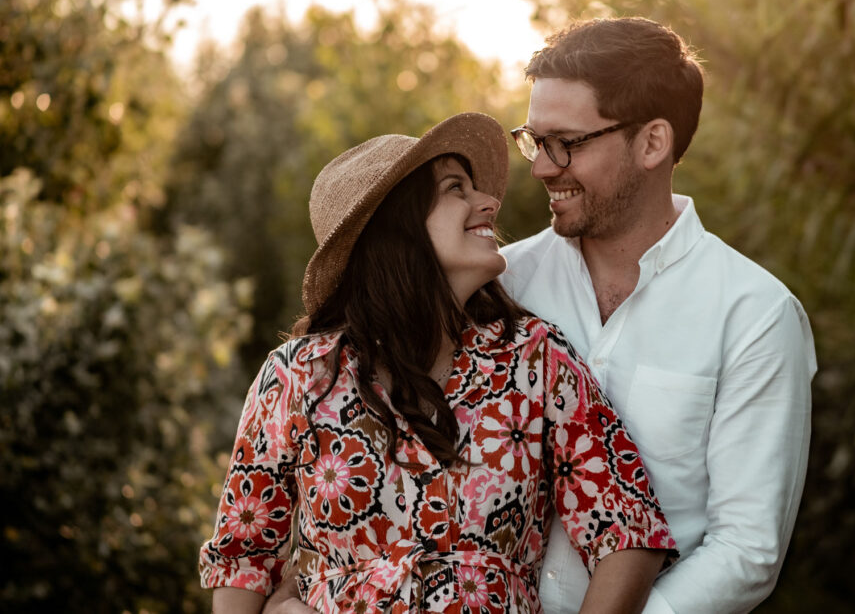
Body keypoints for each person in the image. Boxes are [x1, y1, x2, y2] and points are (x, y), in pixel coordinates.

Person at [199, 112, 677, 613]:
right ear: (396, 229)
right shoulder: (299, 376)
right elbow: (243, 559)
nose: (489, 202)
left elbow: (628, 529)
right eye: (456, 189)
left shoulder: (536, 358)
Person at [500, 17, 817, 613]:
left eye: (566, 142)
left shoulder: (755, 315)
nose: (542, 166)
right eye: (534, 140)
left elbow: (746, 550)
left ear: (651, 143)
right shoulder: (500, 284)